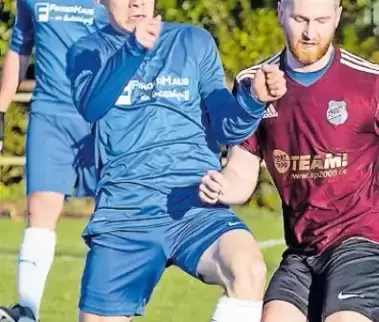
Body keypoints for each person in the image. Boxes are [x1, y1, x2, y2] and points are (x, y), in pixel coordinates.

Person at [198, 0, 379, 322]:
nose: (309, 32)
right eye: (300, 19)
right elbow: (241, 171)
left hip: (370, 234)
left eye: (321, 20)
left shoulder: (371, 83)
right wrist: (221, 187)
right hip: (305, 247)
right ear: (280, 12)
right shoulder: (255, 85)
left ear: (337, 16)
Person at [65, 0, 287, 321]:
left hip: (194, 206)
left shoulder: (192, 41)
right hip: (126, 214)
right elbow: (92, 105)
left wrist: (253, 101)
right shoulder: (87, 50)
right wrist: (134, 49)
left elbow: (226, 126)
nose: (136, 3)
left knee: (247, 267)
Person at [0, 1, 108, 321]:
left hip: (101, 116)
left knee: (112, 215)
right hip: (49, 116)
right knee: (40, 208)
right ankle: (27, 312)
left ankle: (102, 312)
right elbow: (20, 47)